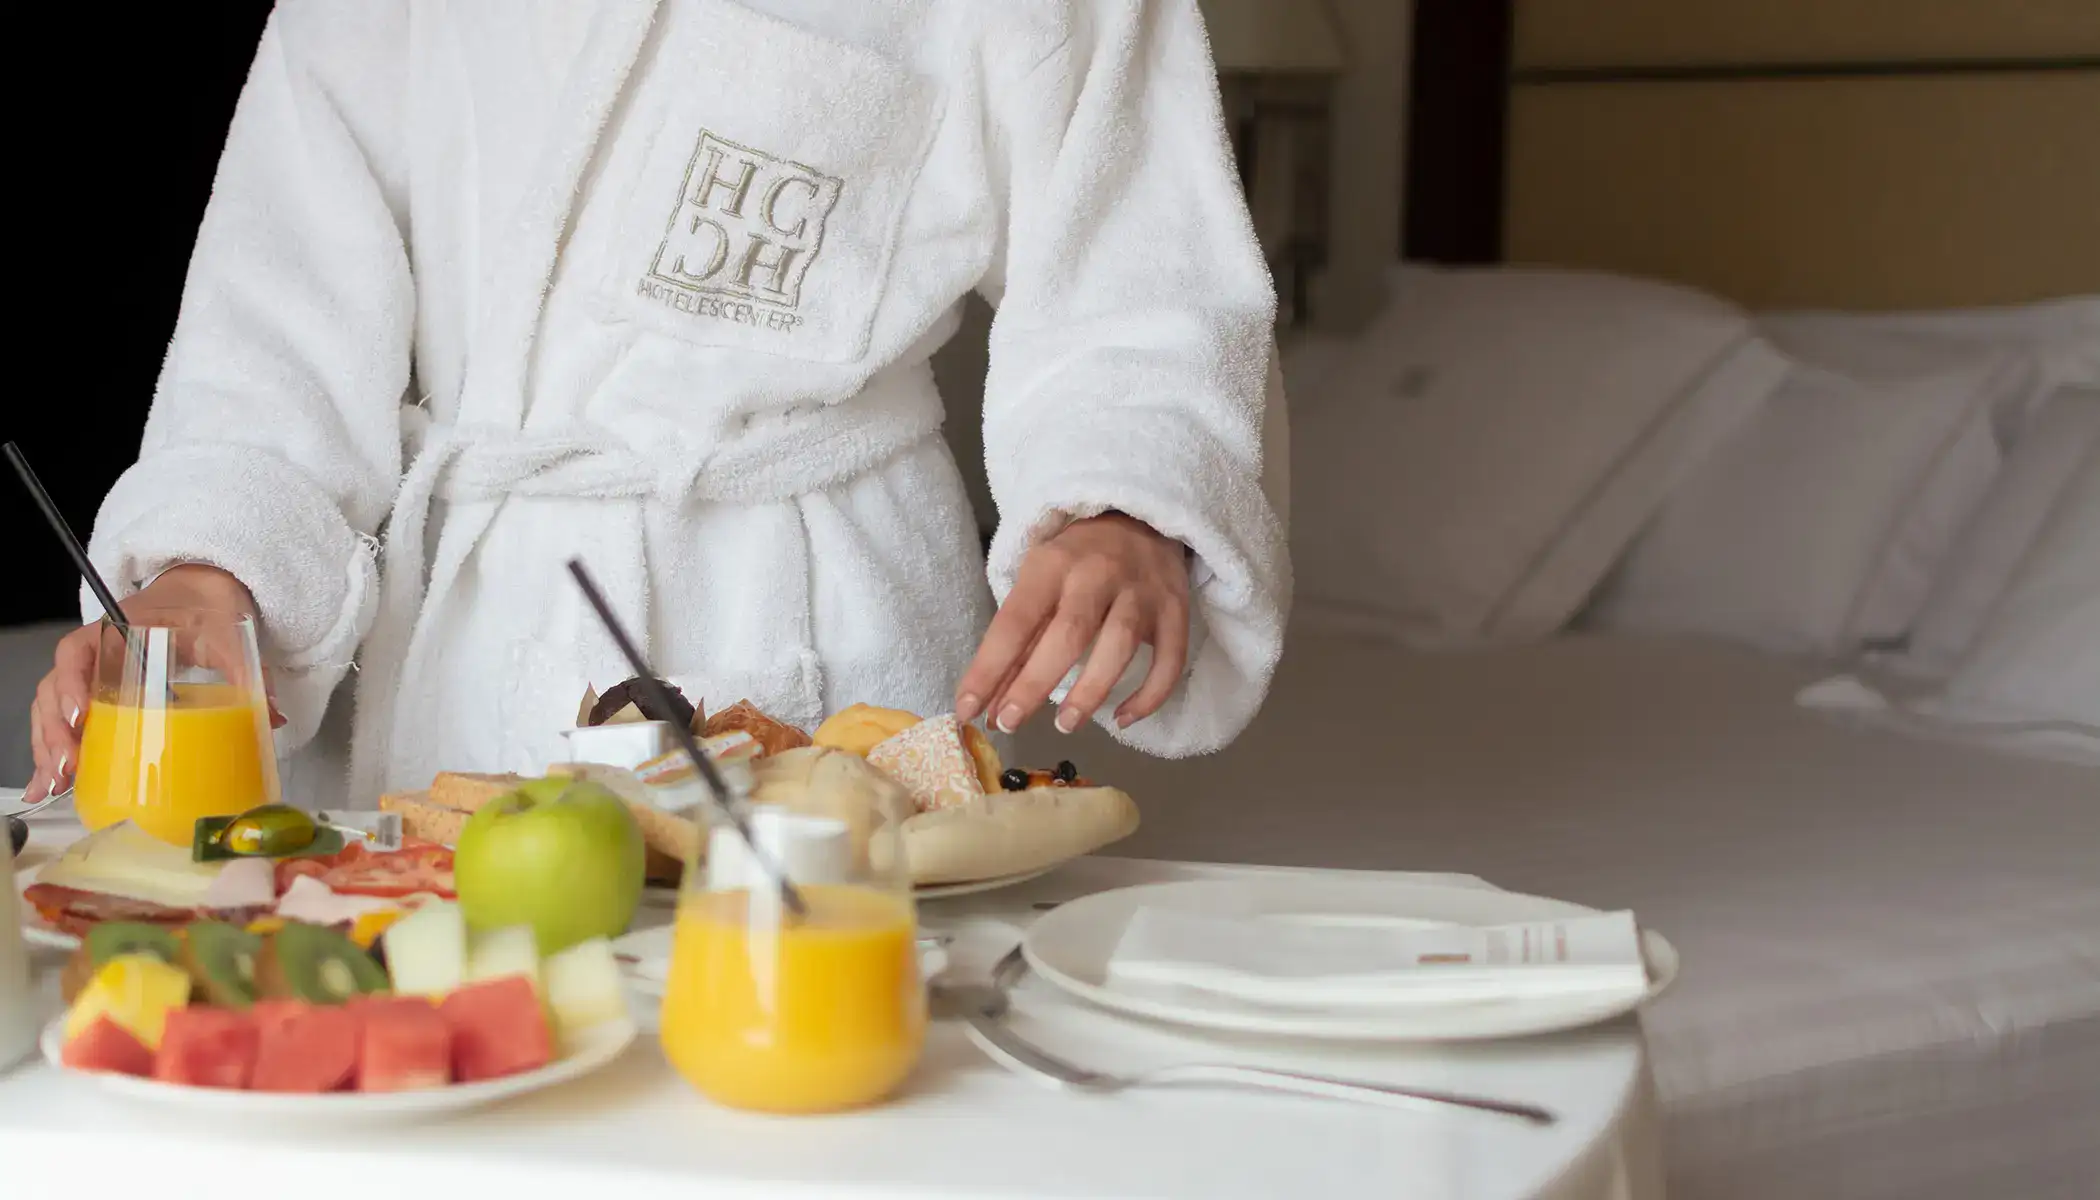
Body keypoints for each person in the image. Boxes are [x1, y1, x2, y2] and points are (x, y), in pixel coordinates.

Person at [25, 0, 1289, 809]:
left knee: (835, 1075)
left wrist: (1125, 506)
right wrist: (213, 565)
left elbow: (1140, 276)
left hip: (823, 621)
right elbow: (280, 311)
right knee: (473, 1065)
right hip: (473, 643)